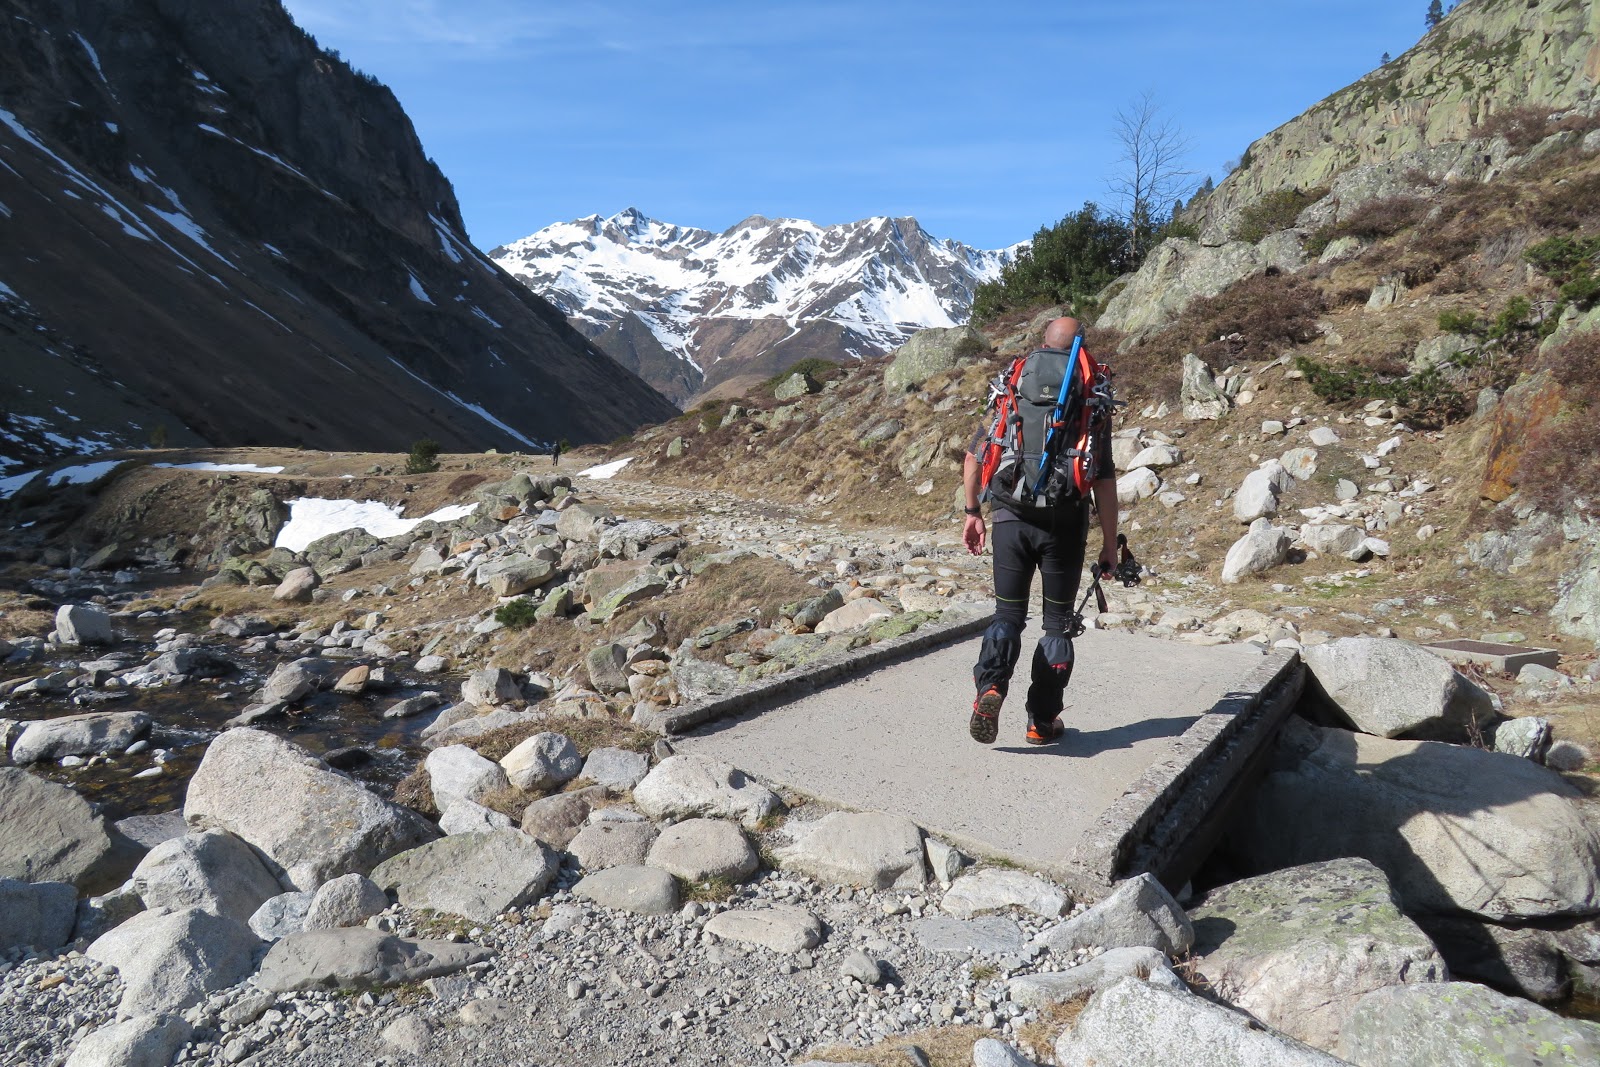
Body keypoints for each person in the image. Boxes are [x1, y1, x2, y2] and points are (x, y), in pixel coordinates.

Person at [961, 316, 1119, 746]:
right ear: (1080, 347)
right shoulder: (1090, 394)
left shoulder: (1015, 383)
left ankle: (991, 686)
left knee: (1007, 616)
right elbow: (1103, 480)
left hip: (1010, 519)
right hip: (1064, 527)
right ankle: (1041, 721)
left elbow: (976, 456)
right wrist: (1109, 544)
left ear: (1044, 342)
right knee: (1056, 626)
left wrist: (973, 512)